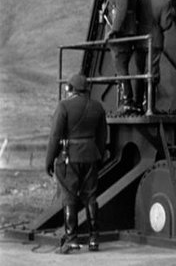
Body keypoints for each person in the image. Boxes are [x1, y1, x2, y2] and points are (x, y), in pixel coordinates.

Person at [45, 73, 107, 254]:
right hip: (91, 156)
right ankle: (94, 239)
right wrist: (98, 155)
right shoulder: (98, 107)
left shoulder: (64, 106)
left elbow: (55, 136)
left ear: (70, 88)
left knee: (69, 196)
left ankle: (72, 240)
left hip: (69, 158)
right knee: (91, 197)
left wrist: (49, 160)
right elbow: (102, 137)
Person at [133, 0, 175, 113]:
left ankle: (137, 104)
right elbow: (165, 25)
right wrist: (172, 14)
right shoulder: (165, 2)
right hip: (155, 40)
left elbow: (136, 16)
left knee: (139, 71)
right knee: (152, 72)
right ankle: (150, 107)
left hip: (139, 39)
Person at [104, 0, 138, 115]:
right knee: (122, 68)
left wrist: (114, 30)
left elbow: (121, 9)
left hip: (121, 35)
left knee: (121, 68)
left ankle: (127, 102)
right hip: (127, 33)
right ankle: (128, 101)